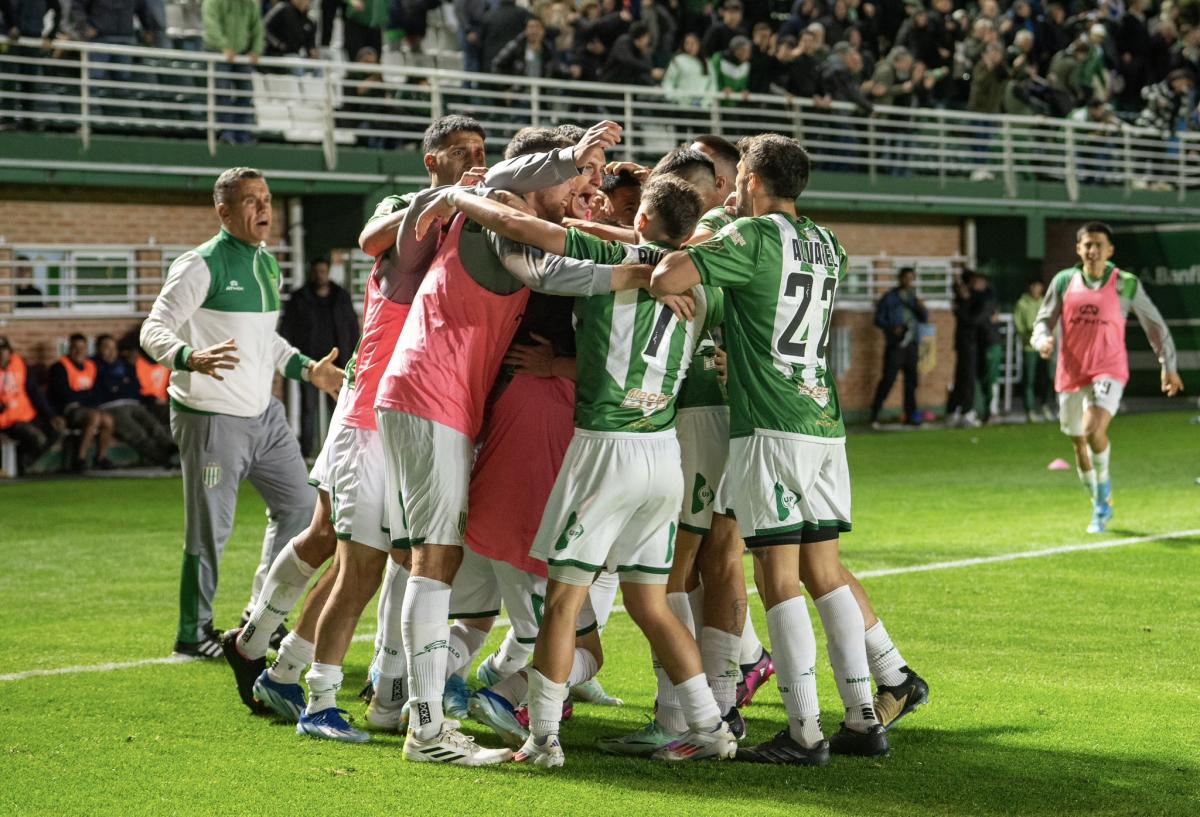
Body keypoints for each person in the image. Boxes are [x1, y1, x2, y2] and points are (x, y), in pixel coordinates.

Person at [419, 174, 738, 768]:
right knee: (653, 604)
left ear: (640, 218)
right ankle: (712, 726)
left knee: (563, 600)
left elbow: (522, 233)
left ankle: (542, 739)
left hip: (604, 448)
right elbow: (643, 243)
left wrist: (458, 197)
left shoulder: (615, 257)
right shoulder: (704, 281)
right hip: (663, 452)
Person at [376, 121, 652, 765]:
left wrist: (646, 252)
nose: (581, 188)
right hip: (429, 395)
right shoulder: (496, 210)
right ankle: (424, 728)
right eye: (572, 179)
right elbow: (556, 261)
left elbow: (567, 253)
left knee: (432, 560)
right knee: (432, 561)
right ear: (542, 176)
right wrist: (574, 159)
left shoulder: (503, 224)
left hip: (431, 399)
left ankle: (415, 709)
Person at [652, 134, 927, 764]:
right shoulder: (830, 244)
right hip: (824, 423)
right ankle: (863, 719)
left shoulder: (749, 239)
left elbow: (669, 272)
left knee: (777, 580)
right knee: (824, 572)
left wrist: (701, 234)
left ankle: (804, 733)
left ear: (748, 180)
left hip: (770, 425)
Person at [218, 116, 490, 729]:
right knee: (350, 554)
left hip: (416, 412)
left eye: (480, 150)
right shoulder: (411, 204)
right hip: (372, 410)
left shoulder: (478, 212)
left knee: (363, 554)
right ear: (431, 161)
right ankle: (267, 647)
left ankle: (287, 664)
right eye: (459, 152)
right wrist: (445, 197)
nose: (474, 159)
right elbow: (371, 238)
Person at [140, 167, 343, 659]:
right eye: (250, 200)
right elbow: (153, 328)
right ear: (224, 211)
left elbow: (264, 342)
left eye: (267, 198)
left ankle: (261, 615)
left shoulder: (268, 264)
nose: (263, 208)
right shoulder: (199, 265)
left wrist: (307, 369)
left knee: (302, 507)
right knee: (211, 530)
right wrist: (189, 357)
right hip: (210, 416)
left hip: (265, 416)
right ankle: (194, 634)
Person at [1031, 221, 1182, 534]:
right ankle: (1099, 500)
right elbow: (1042, 321)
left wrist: (1168, 364)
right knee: (1078, 443)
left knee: (1092, 428)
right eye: (1087, 244)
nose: (1093, 250)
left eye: (1099, 244)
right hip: (1070, 372)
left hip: (1109, 369)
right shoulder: (1063, 281)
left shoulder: (1124, 283)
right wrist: (1042, 340)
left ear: (1110, 249)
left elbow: (1155, 324)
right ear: (1078, 249)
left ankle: (1103, 494)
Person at [279, 258, 360, 458]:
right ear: (311, 272)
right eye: (317, 271)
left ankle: (339, 450)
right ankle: (307, 452)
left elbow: (351, 328)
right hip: (310, 362)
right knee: (308, 408)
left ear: (328, 271)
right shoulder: (299, 299)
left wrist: (354, 357)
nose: (320, 275)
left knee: (339, 407)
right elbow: (287, 330)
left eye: (323, 271)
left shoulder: (341, 297)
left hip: (338, 363)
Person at [92, 333, 176, 465]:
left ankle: (172, 450)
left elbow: (136, 389)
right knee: (137, 432)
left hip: (134, 403)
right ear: (98, 349)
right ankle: (161, 457)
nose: (111, 352)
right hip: (111, 406)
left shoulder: (124, 365)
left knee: (153, 426)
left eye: (113, 348)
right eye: (106, 348)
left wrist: (150, 398)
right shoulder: (93, 365)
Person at [47, 333, 115, 471]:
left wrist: (82, 396)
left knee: (108, 420)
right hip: (69, 409)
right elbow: (64, 395)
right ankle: (80, 458)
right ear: (69, 349)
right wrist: (85, 395)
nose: (79, 352)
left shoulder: (91, 366)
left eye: (82, 348)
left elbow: (98, 392)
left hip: (89, 406)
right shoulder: (60, 367)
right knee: (94, 417)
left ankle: (100, 457)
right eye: (75, 348)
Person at [870, 266, 927, 427]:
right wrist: (892, 327)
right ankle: (875, 413)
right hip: (896, 345)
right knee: (888, 379)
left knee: (912, 382)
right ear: (900, 278)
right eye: (906, 278)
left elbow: (924, 318)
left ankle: (911, 415)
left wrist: (920, 306)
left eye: (912, 278)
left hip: (912, 344)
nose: (909, 281)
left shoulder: (914, 298)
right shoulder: (890, 297)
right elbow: (878, 319)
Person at [202, 0, 263, 144]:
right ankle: (226, 132)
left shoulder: (249, 4)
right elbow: (211, 23)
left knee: (246, 93)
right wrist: (224, 46)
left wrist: (256, 49)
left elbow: (257, 28)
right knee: (222, 92)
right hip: (217, 52)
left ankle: (242, 133)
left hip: (241, 54)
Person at [0, 335, 64, 473]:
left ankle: (23, 463)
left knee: (58, 429)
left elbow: (35, 392)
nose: (0, 354)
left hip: (28, 416)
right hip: (7, 421)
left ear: (9, 352)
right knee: (37, 438)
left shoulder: (19, 364)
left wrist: (51, 415)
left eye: (3, 350)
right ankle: (20, 466)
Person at [1013, 278, 1053, 423]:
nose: (1036, 289)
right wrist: (1028, 335)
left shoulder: (1045, 302)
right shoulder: (1022, 304)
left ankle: (1044, 405)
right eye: (1034, 286)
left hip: (1044, 346)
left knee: (1046, 378)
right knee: (1029, 379)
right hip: (1029, 346)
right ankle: (1030, 409)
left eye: (1038, 286)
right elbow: (1018, 324)